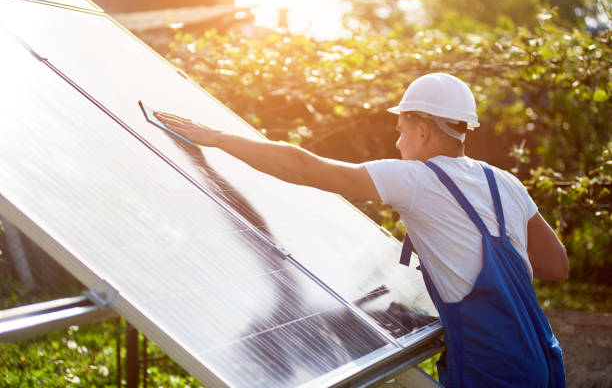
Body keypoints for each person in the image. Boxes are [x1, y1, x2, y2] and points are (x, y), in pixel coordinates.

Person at [156, 72, 568, 387]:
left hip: (491, 371)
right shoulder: (504, 183)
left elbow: (305, 168)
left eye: (402, 129)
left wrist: (217, 138)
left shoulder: (417, 179)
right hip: (542, 360)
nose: (398, 141)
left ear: (422, 130)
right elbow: (556, 265)